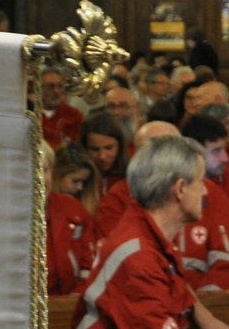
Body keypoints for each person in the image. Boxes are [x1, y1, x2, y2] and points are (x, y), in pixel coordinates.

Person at [70, 135, 229, 329]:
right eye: (201, 181)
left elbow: (171, 285)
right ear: (180, 189)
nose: (205, 191)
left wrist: (205, 317)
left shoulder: (145, 232)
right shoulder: (138, 257)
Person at [176, 114, 229, 290]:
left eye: (224, 150)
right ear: (194, 155)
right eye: (216, 151)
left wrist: (206, 298)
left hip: (207, 299)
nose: (225, 158)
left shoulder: (223, 188)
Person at [97, 120, 182, 234]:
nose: (158, 158)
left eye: (165, 150)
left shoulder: (202, 189)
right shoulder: (118, 196)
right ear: (136, 155)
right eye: (148, 151)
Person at [44, 143, 98, 296]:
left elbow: (88, 265)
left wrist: (76, 298)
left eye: (45, 170)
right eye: (75, 181)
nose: (41, 178)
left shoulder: (74, 209)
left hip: (67, 304)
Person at [80, 111, 129, 196]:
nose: (102, 156)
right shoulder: (78, 180)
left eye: (108, 148)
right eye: (94, 149)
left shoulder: (131, 178)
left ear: (120, 146)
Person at [39, 68, 84, 147]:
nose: (56, 91)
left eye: (60, 86)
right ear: (40, 88)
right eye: (51, 86)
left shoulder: (74, 115)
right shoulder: (32, 115)